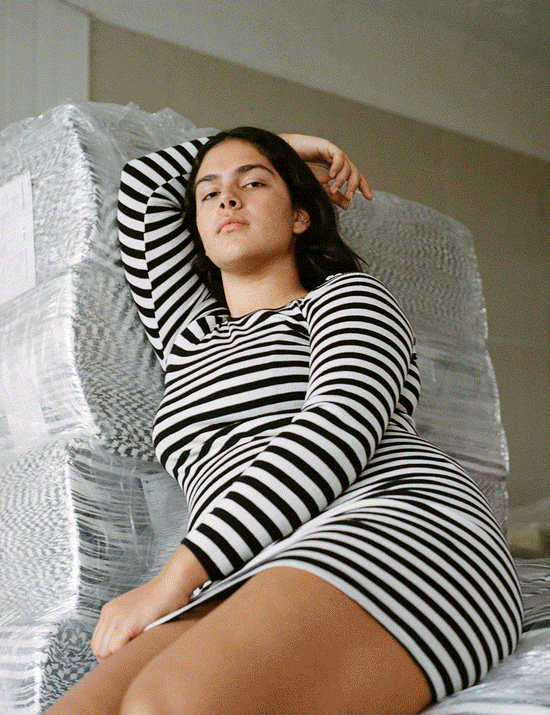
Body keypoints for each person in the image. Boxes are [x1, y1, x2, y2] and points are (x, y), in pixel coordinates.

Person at [46, 128, 523, 715]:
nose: (227, 198)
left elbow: (335, 432)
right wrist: (280, 145)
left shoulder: (347, 299)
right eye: (209, 193)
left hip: (396, 525)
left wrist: (172, 582)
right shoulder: (186, 338)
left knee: (168, 702)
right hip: (247, 562)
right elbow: (145, 186)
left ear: (300, 216)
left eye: (254, 184)